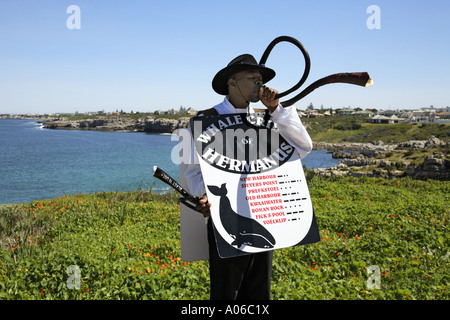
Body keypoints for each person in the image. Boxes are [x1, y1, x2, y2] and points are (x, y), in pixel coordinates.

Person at [183, 54, 313, 300]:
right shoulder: (205, 119)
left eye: (260, 79)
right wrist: (203, 194)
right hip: (227, 223)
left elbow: (304, 147)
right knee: (226, 292)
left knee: (258, 291)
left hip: (264, 215)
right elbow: (193, 171)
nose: (260, 84)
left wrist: (277, 111)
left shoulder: (269, 118)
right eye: (252, 78)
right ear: (232, 82)